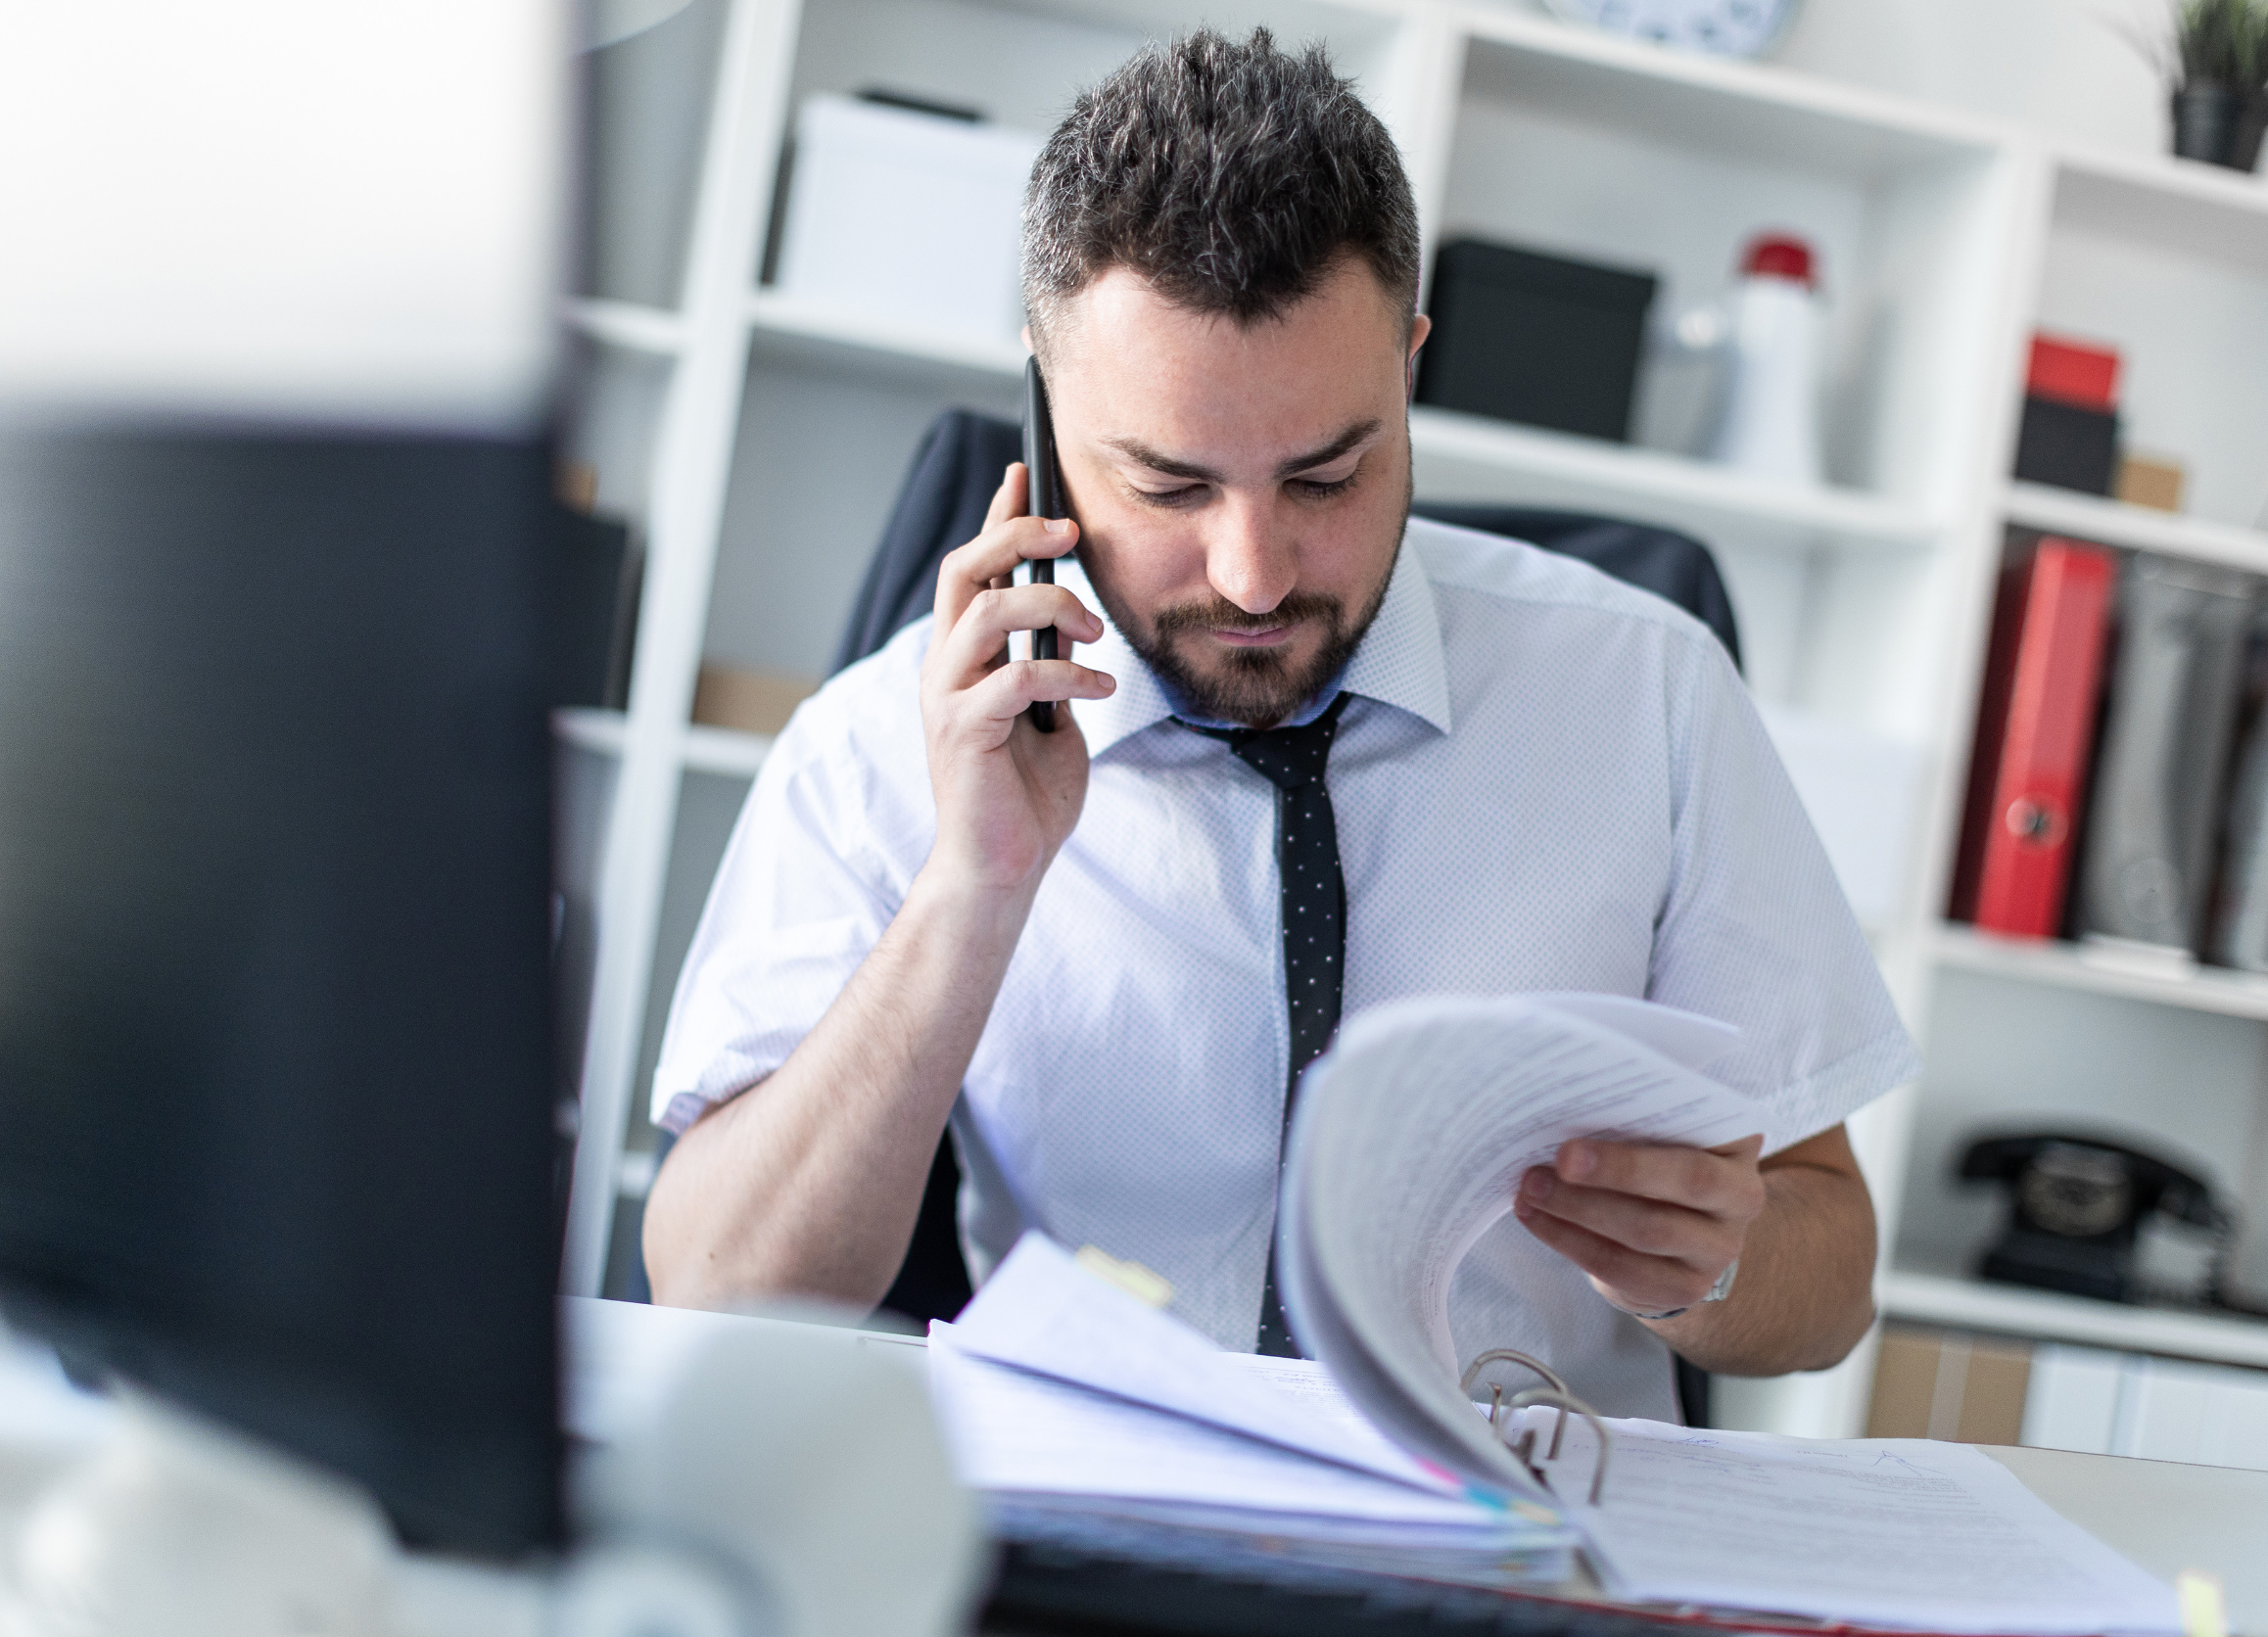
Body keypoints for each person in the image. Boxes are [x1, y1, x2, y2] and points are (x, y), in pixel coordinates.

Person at [640, 28, 1917, 1419]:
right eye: (1169, 486)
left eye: (1326, 475)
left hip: (1512, 1555)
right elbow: (716, 1290)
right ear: (1048, 405)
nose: (1254, 575)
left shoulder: (1650, 694)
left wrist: (1710, 1269)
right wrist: (970, 888)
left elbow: (1832, 1277)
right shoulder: (880, 739)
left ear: (1409, 365)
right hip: (1088, 1526)